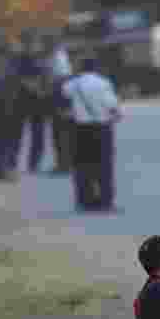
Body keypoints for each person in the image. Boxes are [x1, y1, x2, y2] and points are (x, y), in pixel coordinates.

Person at [62, 56, 122, 212]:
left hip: (79, 129)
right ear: (96, 68)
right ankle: (105, 201)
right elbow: (112, 104)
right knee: (104, 166)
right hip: (101, 128)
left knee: (82, 166)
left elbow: (64, 97)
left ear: (80, 68)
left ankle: (85, 201)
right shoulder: (103, 83)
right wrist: (116, 115)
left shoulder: (71, 85)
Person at [0, 31, 23, 182]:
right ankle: (7, 169)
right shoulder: (10, 66)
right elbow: (14, 87)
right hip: (8, 107)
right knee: (8, 139)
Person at [15, 30, 54, 174]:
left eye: (32, 42)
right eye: (28, 42)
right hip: (24, 99)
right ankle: (12, 162)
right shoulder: (19, 59)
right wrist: (35, 87)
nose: (32, 45)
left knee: (38, 133)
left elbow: (47, 75)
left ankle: (33, 163)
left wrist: (45, 89)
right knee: (17, 133)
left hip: (39, 101)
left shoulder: (40, 58)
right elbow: (19, 78)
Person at [46, 32, 75, 175]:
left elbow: (62, 79)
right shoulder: (54, 56)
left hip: (61, 98)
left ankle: (65, 163)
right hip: (58, 97)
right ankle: (63, 162)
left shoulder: (59, 57)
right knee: (59, 132)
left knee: (61, 132)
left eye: (48, 41)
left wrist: (61, 102)